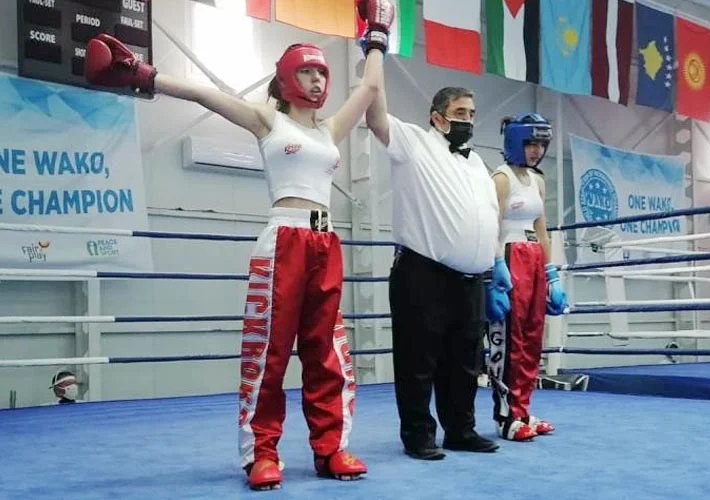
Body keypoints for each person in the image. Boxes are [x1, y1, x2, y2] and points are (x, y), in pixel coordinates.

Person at [83, 0, 394, 490]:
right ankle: (261, 453)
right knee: (269, 352)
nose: (318, 81)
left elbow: (371, 88)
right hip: (284, 241)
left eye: (322, 73)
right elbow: (204, 94)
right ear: (287, 78)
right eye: (308, 71)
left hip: (326, 242)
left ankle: (331, 448)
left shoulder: (330, 130)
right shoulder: (268, 120)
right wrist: (143, 74)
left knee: (327, 353)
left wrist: (375, 34)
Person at [364, 83, 501, 459]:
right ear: (437, 118)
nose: (467, 120)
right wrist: (374, 62)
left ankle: (461, 430)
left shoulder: (476, 163)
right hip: (423, 273)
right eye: (459, 113)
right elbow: (375, 118)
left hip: (471, 279)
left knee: (465, 362)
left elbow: (488, 215)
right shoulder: (414, 143)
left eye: (471, 114)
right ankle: (418, 435)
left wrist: (496, 262)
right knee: (417, 360)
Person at [484, 113, 568, 441]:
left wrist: (552, 274)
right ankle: (506, 417)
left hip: (533, 258)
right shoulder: (500, 179)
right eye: (531, 143)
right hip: (509, 255)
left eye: (541, 145)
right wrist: (495, 267)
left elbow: (542, 230)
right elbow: (491, 227)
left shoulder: (537, 181)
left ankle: (523, 410)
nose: (536, 151)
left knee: (532, 339)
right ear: (515, 141)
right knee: (511, 340)